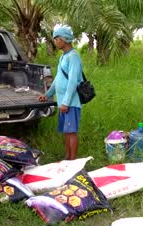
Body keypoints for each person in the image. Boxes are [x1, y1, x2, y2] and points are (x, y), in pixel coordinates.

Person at [38, 26, 83, 160]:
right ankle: (67, 158)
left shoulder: (73, 57)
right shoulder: (64, 57)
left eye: (57, 39)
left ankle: (72, 160)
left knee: (72, 132)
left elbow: (73, 81)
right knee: (66, 132)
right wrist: (48, 94)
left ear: (64, 39)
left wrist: (66, 102)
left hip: (71, 102)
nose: (56, 41)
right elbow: (58, 78)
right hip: (63, 102)